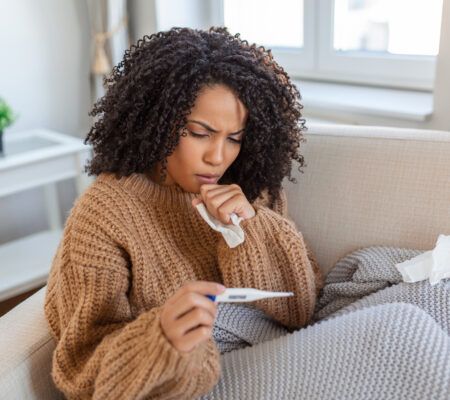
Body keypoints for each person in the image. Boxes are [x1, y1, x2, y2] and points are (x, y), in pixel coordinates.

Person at [44, 26, 324, 399]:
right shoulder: (105, 215)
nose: (218, 157)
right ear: (155, 121)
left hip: (286, 355)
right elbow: (82, 365)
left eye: (234, 138)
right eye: (199, 132)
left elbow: (302, 308)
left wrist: (251, 227)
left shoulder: (249, 187)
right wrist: (161, 339)